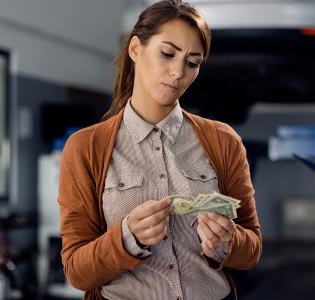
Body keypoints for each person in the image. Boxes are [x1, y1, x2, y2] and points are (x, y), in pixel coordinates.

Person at [57, 1, 262, 299]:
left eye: (193, 62)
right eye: (167, 54)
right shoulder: (85, 148)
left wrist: (229, 241)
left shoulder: (223, 140)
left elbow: (252, 249)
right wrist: (127, 239)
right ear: (136, 49)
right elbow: (76, 271)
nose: (178, 72)